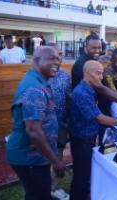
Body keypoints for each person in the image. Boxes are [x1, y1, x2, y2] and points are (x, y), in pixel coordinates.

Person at [69, 60, 117, 200]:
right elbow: (99, 118)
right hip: (81, 140)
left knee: (85, 173)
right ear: (87, 73)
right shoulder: (82, 93)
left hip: (87, 137)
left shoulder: (90, 88)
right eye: (98, 73)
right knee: (81, 176)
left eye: (102, 73)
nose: (101, 77)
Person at [5, 46, 67, 200]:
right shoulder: (34, 89)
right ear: (36, 61)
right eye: (51, 58)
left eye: (58, 59)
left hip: (37, 156)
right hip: (30, 158)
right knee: (39, 195)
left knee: (35, 194)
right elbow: (33, 131)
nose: (57, 62)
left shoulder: (39, 81)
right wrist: (55, 161)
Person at [71, 33, 117, 123]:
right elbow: (101, 87)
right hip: (84, 111)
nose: (97, 50)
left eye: (99, 47)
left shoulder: (92, 60)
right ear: (86, 46)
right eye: (94, 48)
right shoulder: (82, 65)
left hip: (92, 107)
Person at [46, 43, 71, 200]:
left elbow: (68, 97)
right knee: (43, 158)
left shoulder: (64, 75)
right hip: (43, 126)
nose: (59, 58)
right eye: (55, 55)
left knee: (58, 155)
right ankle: (43, 189)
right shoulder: (40, 74)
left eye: (61, 54)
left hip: (61, 124)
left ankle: (54, 187)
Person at [97, 48, 117, 145]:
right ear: (112, 61)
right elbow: (113, 93)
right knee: (106, 141)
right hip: (106, 109)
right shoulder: (107, 74)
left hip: (116, 108)